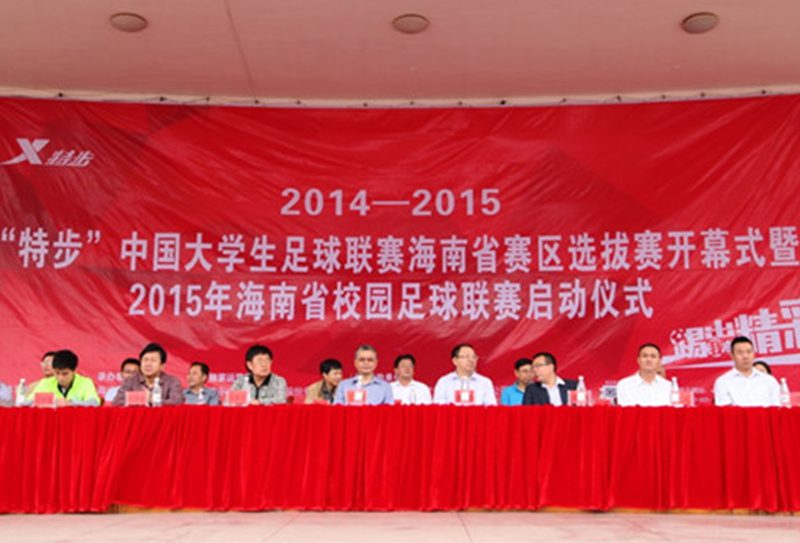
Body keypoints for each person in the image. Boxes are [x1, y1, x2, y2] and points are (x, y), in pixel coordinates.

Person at [714, 336, 780, 407]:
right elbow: (724, 411)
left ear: (754, 354)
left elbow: (776, 408)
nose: (745, 356)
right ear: (732, 356)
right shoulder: (723, 382)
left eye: (749, 352)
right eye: (740, 353)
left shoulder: (769, 380)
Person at [113, 343, 184, 406]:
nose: (148, 364)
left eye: (153, 360)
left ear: (162, 366)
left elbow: (177, 402)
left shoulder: (172, 382)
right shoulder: (131, 381)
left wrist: (152, 400)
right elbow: (117, 402)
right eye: (145, 360)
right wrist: (142, 398)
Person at [29, 349, 100, 406]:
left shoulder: (85, 382)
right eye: (57, 373)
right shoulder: (46, 383)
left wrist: (70, 403)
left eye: (65, 374)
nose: (60, 378)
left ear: (74, 370)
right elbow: (28, 402)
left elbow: (94, 403)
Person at [433, 344, 497, 406]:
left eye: (474, 357)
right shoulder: (444, 382)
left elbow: (491, 407)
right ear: (455, 361)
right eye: (466, 357)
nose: (471, 360)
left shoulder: (485, 382)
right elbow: (439, 407)